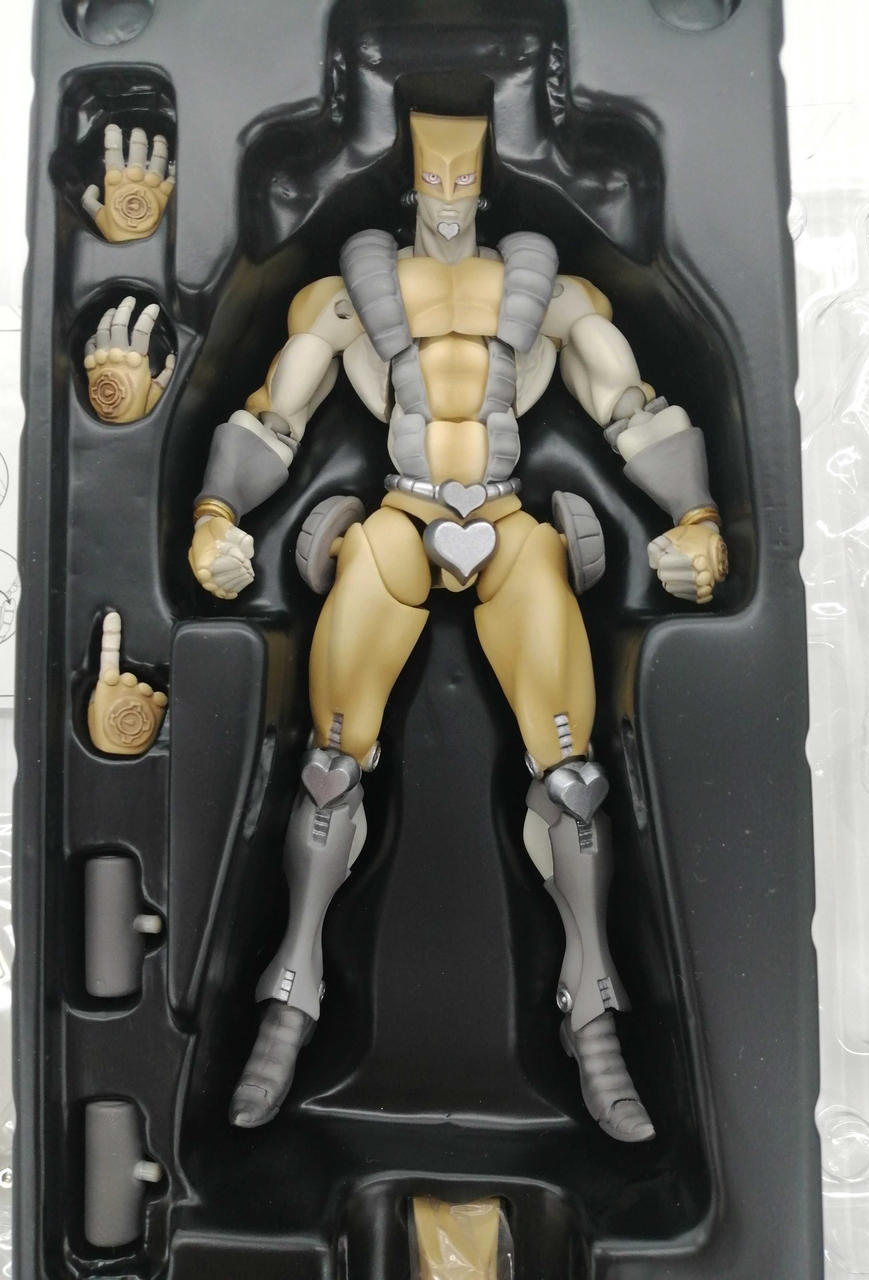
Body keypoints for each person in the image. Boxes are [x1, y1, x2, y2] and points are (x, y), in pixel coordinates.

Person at [188, 110, 728, 1142]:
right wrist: (217, 517)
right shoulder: (347, 295)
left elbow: (627, 403)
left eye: (462, 173)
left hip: (507, 520)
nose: (447, 191)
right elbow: (276, 413)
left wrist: (696, 522)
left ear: (483, 179)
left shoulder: (550, 293)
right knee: (331, 766)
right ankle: (289, 996)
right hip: (399, 518)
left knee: (570, 777)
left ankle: (594, 1013)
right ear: (409, 180)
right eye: (432, 173)